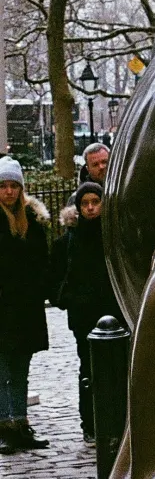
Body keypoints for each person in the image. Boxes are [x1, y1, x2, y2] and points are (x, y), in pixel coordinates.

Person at [51, 181, 123, 444]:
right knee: (89, 370)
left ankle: (118, 422)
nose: (91, 208)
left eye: (95, 202)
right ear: (79, 207)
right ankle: (91, 423)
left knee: (118, 368)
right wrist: (67, 299)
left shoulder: (114, 236)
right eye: (85, 203)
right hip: (84, 317)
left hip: (114, 313)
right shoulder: (68, 242)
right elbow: (55, 278)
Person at [0, 158, 50, 452]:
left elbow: (42, 262)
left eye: (13, 186)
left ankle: (20, 422)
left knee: (20, 369)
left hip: (25, 307)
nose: (8, 192)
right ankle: (5, 426)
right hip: (3, 306)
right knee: (3, 369)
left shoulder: (33, 221)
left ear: (21, 189)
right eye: (3, 186)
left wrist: (39, 289)